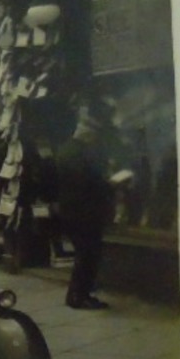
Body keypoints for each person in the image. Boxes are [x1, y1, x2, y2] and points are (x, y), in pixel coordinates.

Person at [55, 103, 128, 310]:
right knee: (87, 256)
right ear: (86, 133)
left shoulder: (65, 150)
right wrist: (112, 184)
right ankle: (79, 297)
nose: (94, 139)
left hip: (72, 212)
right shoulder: (80, 154)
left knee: (84, 255)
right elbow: (89, 183)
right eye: (92, 134)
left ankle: (77, 295)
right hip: (84, 214)